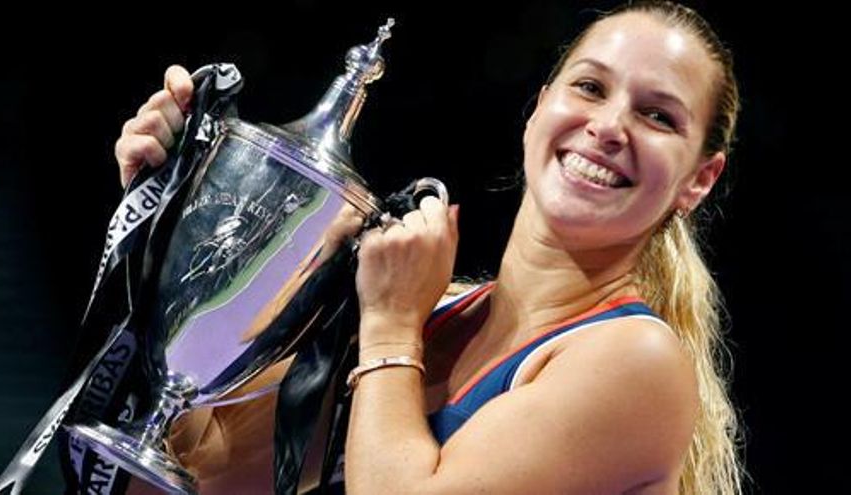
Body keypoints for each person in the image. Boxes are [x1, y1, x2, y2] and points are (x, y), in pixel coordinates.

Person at [114, 1, 744, 493]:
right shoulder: (433, 315)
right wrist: (170, 230)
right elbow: (194, 471)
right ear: (539, 107)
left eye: (658, 117)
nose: (608, 127)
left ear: (699, 179)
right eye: (589, 88)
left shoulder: (636, 359)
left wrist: (388, 325)